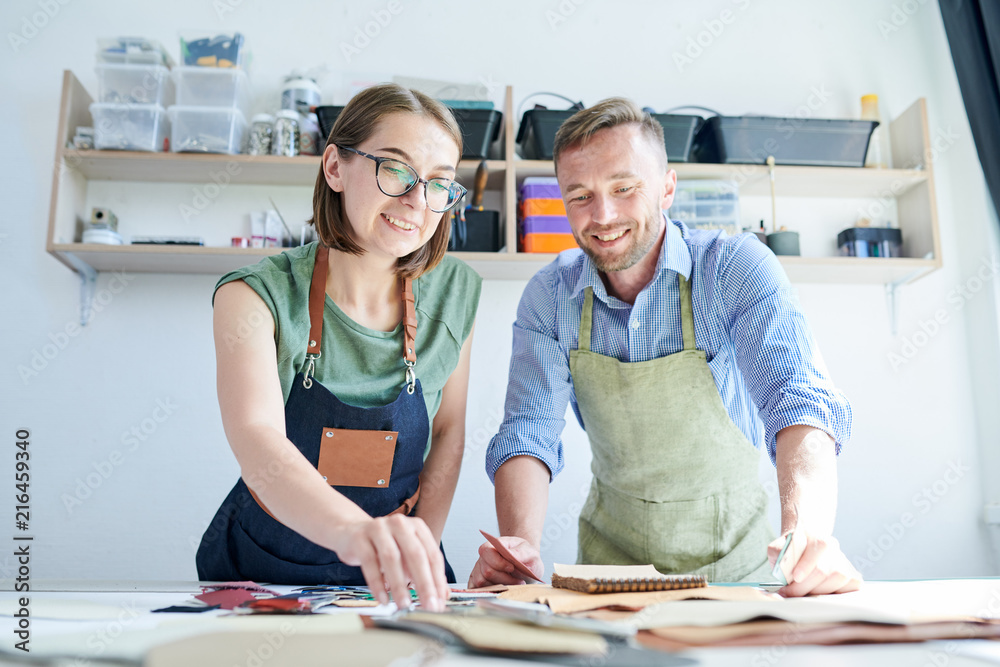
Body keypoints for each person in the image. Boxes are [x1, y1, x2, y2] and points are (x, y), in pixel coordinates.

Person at [470, 98, 861, 597]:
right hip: (608, 578)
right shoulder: (550, 296)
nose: (603, 215)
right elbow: (528, 432)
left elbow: (798, 400)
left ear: (666, 188)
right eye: (580, 195)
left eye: (624, 188)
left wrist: (806, 534)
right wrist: (518, 548)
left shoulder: (734, 269)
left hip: (736, 575)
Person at [196, 83, 481, 612]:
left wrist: (418, 550)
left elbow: (448, 433)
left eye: (439, 183)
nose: (417, 202)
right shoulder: (253, 296)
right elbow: (258, 442)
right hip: (267, 571)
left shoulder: (456, 293)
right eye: (394, 169)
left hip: (398, 580)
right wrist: (357, 533)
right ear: (334, 168)